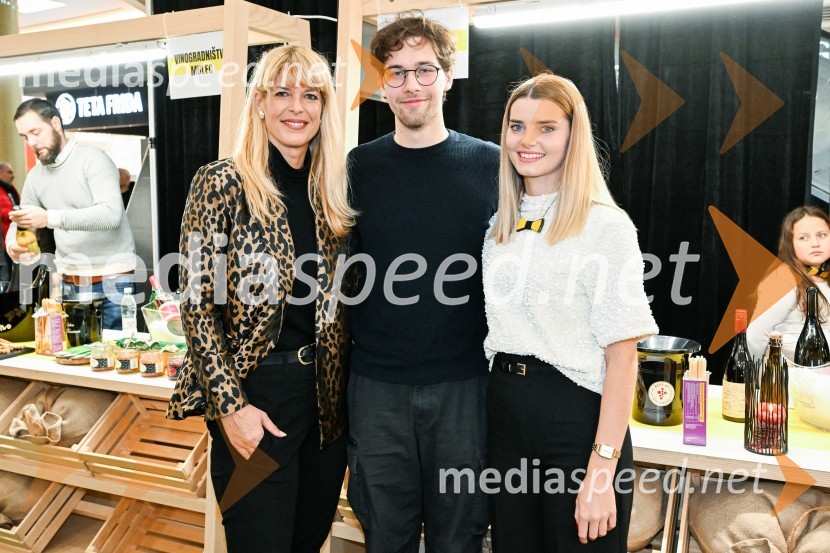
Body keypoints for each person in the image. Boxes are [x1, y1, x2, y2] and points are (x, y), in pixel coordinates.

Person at [166, 44, 354, 553]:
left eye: (311, 95)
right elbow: (198, 306)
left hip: (325, 406)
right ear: (259, 103)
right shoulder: (222, 183)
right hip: (257, 398)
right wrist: (231, 408)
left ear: (324, 107)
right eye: (282, 92)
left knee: (306, 542)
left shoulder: (332, 194)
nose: (297, 107)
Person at [482, 73, 658, 552]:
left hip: (576, 421)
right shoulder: (501, 222)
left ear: (572, 134)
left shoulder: (605, 225)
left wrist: (602, 468)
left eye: (546, 127)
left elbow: (623, 358)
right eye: (516, 126)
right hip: (505, 416)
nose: (527, 140)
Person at [346, 12, 499, 553]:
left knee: (459, 539)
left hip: (465, 388)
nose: (411, 84)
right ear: (382, 85)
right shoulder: (355, 169)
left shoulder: (492, 166)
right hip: (375, 389)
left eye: (424, 70)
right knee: (386, 537)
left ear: (449, 76)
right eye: (396, 72)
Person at [8, 99, 135, 329]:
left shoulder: (94, 160)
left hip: (113, 281)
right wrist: (12, 245)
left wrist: (49, 218)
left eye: (35, 132)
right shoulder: (35, 177)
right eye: (25, 137)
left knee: (116, 358)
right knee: (74, 358)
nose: (32, 142)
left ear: (55, 123)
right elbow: (19, 221)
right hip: (68, 283)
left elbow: (110, 215)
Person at [746, 206, 830, 359]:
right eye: (803, 237)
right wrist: (752, 379)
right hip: (791, 378)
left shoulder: (824, 277)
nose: (815, 243)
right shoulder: (785, 277)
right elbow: (755, 337)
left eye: (822, 235)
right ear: (790, 243)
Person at [0, 161, 20, 283]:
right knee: (6, 277)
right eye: (9, 172)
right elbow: (3, 212)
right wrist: (17, 214)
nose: (12, 176)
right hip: (5, 239)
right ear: (0, 173)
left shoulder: (10, 189)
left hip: (16, 237)